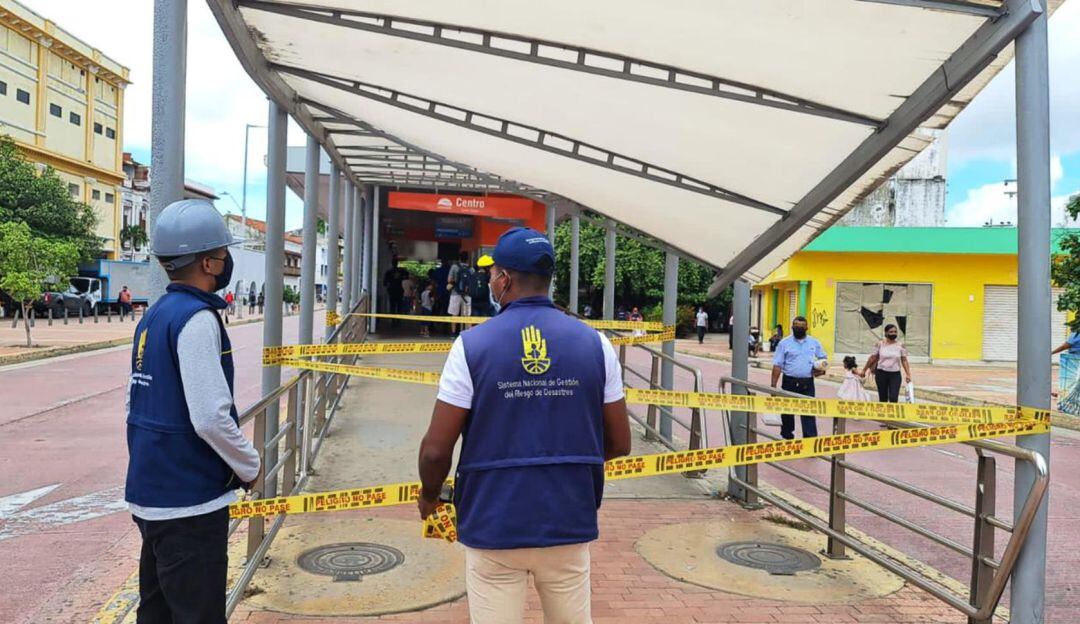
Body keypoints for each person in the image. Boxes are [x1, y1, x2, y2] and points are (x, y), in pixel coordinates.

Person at [418, 227, 631, 624]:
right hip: (568, 517)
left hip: (493, 522)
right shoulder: (596, 344)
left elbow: (435, 450)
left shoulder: (471, 346)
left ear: (504, 279)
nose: (489, 281)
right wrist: (563, 459)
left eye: (492, 274)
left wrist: (430, 495)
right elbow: (620, 442)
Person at [125, 199, 260, 624]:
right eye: (223, 254)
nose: (227, 262)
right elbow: (210, 417)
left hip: (152, 493)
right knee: (198, 614)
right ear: (208, 263)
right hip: (190, 504)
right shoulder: (197, 319)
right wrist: (250, 465)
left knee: (158, 611)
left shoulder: (155, 316)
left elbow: (135, 401)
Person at [770, 316, 826, 439]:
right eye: (796, 326)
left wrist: (820, 370)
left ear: (807, 328)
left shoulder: (814, 342)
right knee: (787, 411)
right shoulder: (784, 343)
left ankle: (810, 440)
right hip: (789, 381)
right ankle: (787, 437)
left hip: (807, 383)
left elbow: (823, 359)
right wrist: (773, 386)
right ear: (792, 327)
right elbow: (777, 365)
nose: (799, 328)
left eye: (802, 326)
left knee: (809, 411)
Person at [862, 324, 912, 403]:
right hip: (881, 374)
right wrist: (864, 370)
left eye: (895, 332)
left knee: (893, 398)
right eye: (891, 332)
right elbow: (872, 358)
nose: (893, 334)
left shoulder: (901, 345)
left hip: (895, 375)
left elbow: (904, 360)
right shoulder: (880, 344)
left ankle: (893, 414)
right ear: (886, 333)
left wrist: (908, 374)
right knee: (883, 398)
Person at [447, 251, 474, 335]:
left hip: (455, 293)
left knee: (454, 314)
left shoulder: (454, 267)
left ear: (459, 258)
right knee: (467, 315)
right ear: (467, 259)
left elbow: (449, 280)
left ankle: (453, 333)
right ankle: (467, 334)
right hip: (467, 295)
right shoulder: (471, 269)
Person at [383, 258, 408, 327]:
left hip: (392, 290)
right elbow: (407, 276)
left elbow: (385, 283)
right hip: (399, 290)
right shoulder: (401, 271)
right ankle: (398, 321)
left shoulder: (389, 272)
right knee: (399, 306)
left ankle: (393, 321)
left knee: (393, 306)